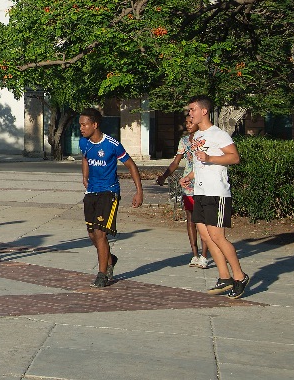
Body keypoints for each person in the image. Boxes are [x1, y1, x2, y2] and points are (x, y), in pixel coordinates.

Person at [184, 96, 249, 299]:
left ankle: (240, 276)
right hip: (201, 192)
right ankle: (224, 277)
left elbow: (234, 157)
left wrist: (211, 158)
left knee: (218, 236)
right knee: (205, 235)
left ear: (204, 111)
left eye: (192, 109)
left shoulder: (218, 134)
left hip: (217, 192)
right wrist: (189, 176)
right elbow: (200, 163)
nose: (190, 113)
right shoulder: (196, 137)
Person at [79, 107, 143, 288]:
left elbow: (131, 165)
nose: (81, 128)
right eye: (80, 125)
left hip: (109, 192)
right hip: (91, 192)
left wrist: (139, 191)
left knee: (100, 233)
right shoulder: (84, 143)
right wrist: (85, 176)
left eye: (84, 125)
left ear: (95, 124)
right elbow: (85, 158)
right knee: (91, 234)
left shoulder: (112, 144)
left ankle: (102, 274)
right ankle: (110, 259)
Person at [156, 113, 211, 268]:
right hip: (188, 185)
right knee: (191, 219)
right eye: (186, 122)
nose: (187, 125)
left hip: (204, 184)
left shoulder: (205, 139)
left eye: (190, 122)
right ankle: (194, 254)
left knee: (204, 221)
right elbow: (175, 162)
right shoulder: (184, 141)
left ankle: (204, 255)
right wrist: (164, 176)